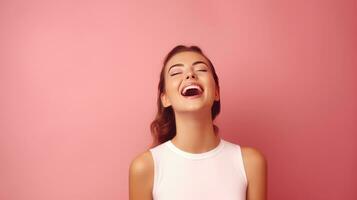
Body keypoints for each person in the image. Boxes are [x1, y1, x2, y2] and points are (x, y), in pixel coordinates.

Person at [129, 45, 267, 200]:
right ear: (165, 98)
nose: (190, 75)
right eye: (175, 72)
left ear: (216, 92)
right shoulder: (145, 168)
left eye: (201, 69)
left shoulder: (250, 163)